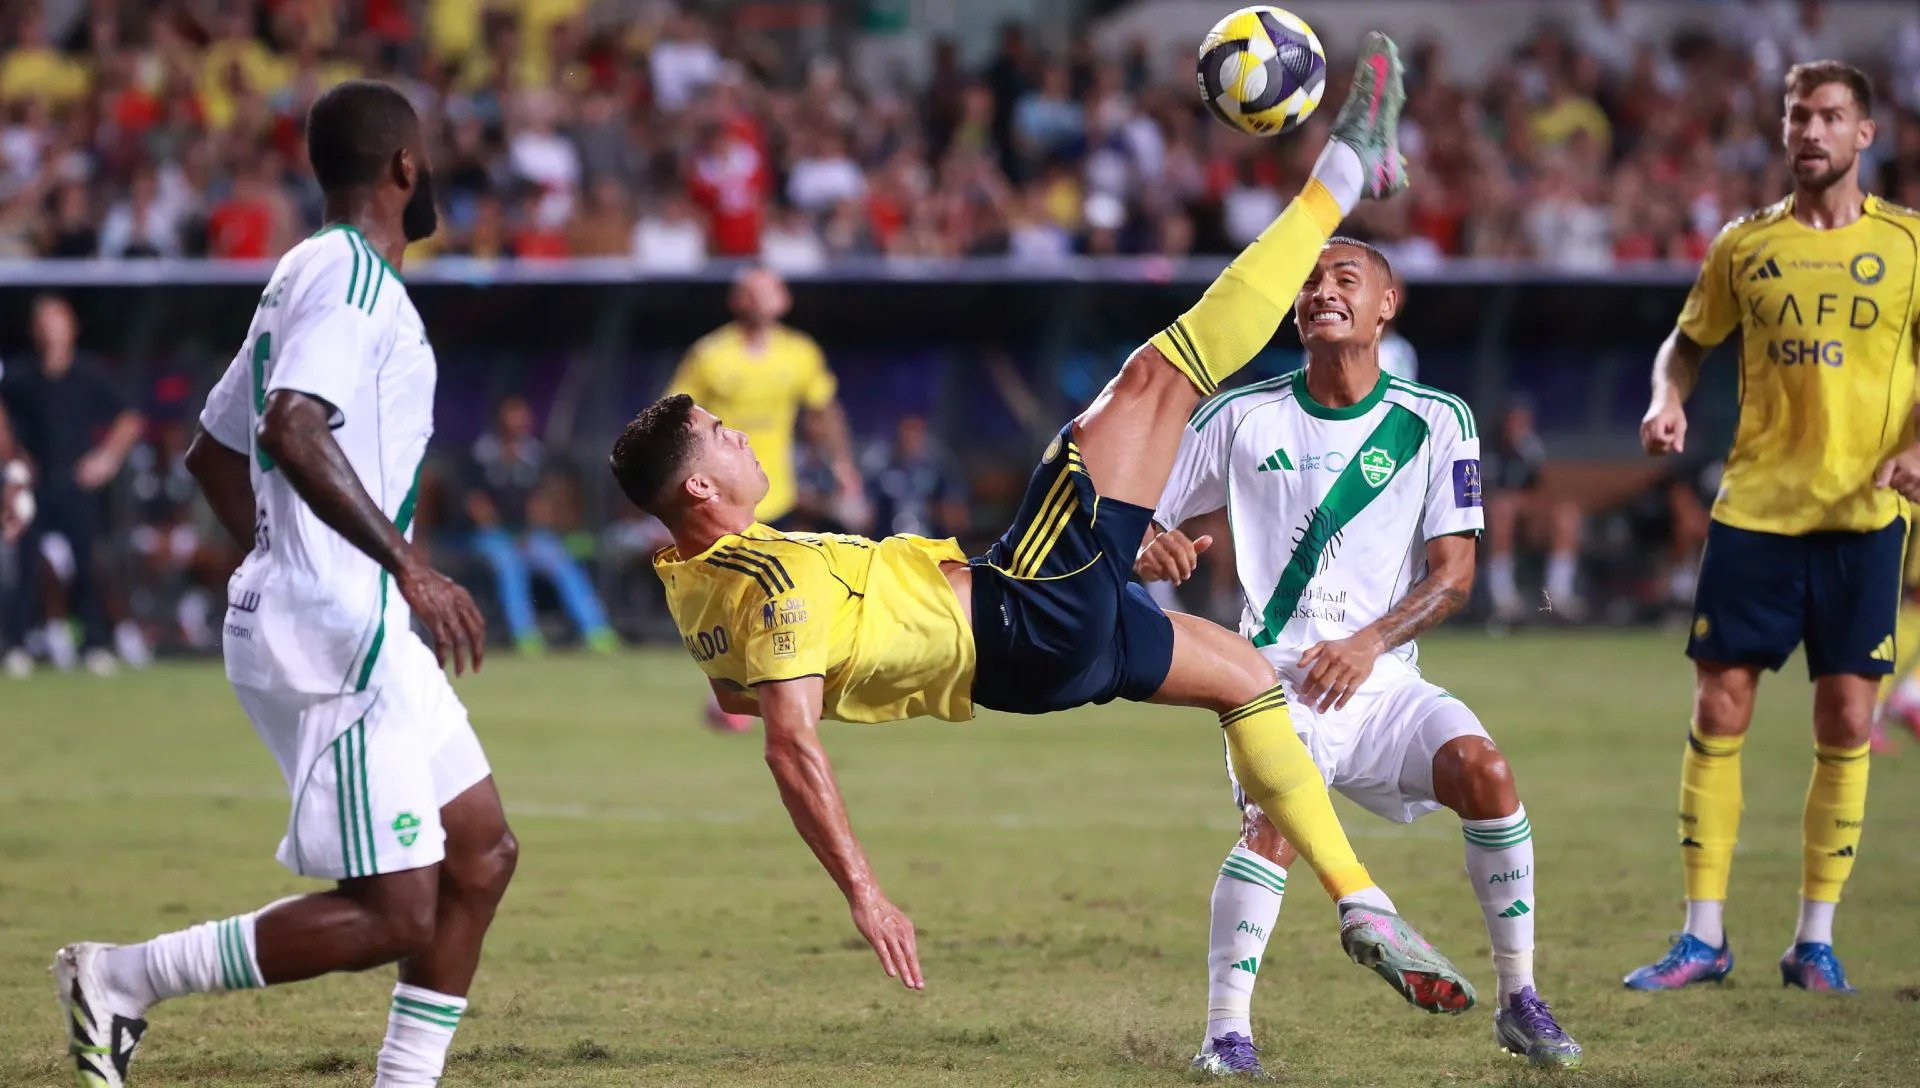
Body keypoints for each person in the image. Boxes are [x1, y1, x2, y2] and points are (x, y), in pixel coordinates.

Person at [610, 34, 1477, 1017]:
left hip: (1042, 653)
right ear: (695, 493)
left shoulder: (698, 584)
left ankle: (1361, 900)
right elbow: (788, 743)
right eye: (722, 435)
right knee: (1163, 371)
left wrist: (1113, 537)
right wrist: (864, 889)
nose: (741, 437)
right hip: (1026, 612)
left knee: (1246, 679)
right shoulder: (762, 587)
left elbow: (735, 658)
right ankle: (1351, 164)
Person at [53, 81, 516, 1088]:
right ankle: (121, 976)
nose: (429, 170)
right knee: (399, 905)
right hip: (342, 628)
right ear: (403, 166)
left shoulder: (306, 271)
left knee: (480, 852)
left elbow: (211, 454)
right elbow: (289, 425)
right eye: (424, 156)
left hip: (354, 614)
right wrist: (391, 564)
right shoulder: (351, 282)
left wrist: (287, 556)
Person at [1138, 239, 1581, 1076]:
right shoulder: (1238, 415)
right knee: (1270, 824)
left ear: (1387, 305)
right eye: (1308, 282)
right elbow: (1131, 521)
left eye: (1345, 278)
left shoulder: (1437, 419)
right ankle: (1226, 1037)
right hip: (1274, 685)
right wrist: (1149, 548)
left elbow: (1454, 579)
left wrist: (1370, 641)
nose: (1320, 291)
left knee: (1486, 772)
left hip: (1384, 684)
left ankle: (1520, 1000)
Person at [1628, 61, 1920, 994]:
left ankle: (1815, 940)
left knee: (1847, 718)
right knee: (1720, 707)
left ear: (1865, 134)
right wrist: (1666, 399)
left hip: (1864, 515)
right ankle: (1703, 937)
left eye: (1831, 116)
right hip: (1756, 510)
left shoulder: (1911, 246)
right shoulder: (1743, 245)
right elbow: (1686, 344)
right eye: (1799, 116)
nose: (1811, 132)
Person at [668, 265, 863, 730]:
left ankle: (772, 689)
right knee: (733, 597)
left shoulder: (799, 353)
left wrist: (842, 467)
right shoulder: (712, 354)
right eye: (751, 289)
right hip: (719, 497)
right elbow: (677, 414)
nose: (761, 297)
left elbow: (823, 411)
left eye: (769, 288)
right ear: (737, 300)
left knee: (782, 595)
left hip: (775, 490)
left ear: (783, 300)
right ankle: (739, 693)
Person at [0, 294, 145, 677]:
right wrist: (14, 456)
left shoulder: (89, 374)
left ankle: (95, 643)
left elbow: (129, 418)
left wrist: (106, 458)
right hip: (34, 484)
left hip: (75, 484)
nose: (50, 330)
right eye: (43, 322)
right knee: (26, 564)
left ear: (71, 328)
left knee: (87, 563)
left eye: (57, 321)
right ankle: (17, 644)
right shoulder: (20, 377)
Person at [465, 395, 618, 655]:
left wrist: (529, 532)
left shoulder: (534, 455)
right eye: (514, 415)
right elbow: (477, 506)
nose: (520, 421)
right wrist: (508, 536)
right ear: (500, 419)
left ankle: (596, 631)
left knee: (560, 560)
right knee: (509, 563)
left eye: (523, 415)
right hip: (492, 536)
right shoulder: (480, 455)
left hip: (529, 535)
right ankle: (525, 635)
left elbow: (540, 503)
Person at [1482, 399, 1586, 622]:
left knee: (1566, 515)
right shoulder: (1488, 448)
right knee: (1502, 511)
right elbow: (1481, 494)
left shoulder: (1531, 448)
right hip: (1489, 520)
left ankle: (1558, 595)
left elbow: (1544, 491)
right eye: (1514, 421)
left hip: (1525, 518)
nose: (1519, 427)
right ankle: (1504, 599)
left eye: (1523, 422)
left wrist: (1526, 504)